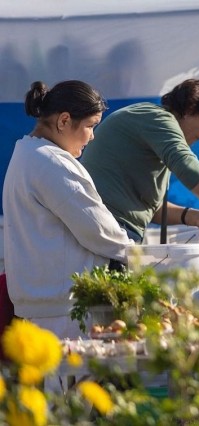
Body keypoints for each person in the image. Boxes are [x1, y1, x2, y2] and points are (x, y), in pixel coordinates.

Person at [2, 80, 134, 338]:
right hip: (65, 311)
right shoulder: (51, 161)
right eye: (90, 126)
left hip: (46, 307)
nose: (93, 136)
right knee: (76, 378)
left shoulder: (27, 153)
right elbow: (100, 232)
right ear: (64, 121)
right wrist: (143, 257)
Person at [81, 79, 199, 243]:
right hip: (107, 227)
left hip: (109, 226)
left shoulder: (155, 131)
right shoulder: (158, 118)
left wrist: (193, 217)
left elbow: (148, 208)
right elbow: (187, 165)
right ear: (190, 109)